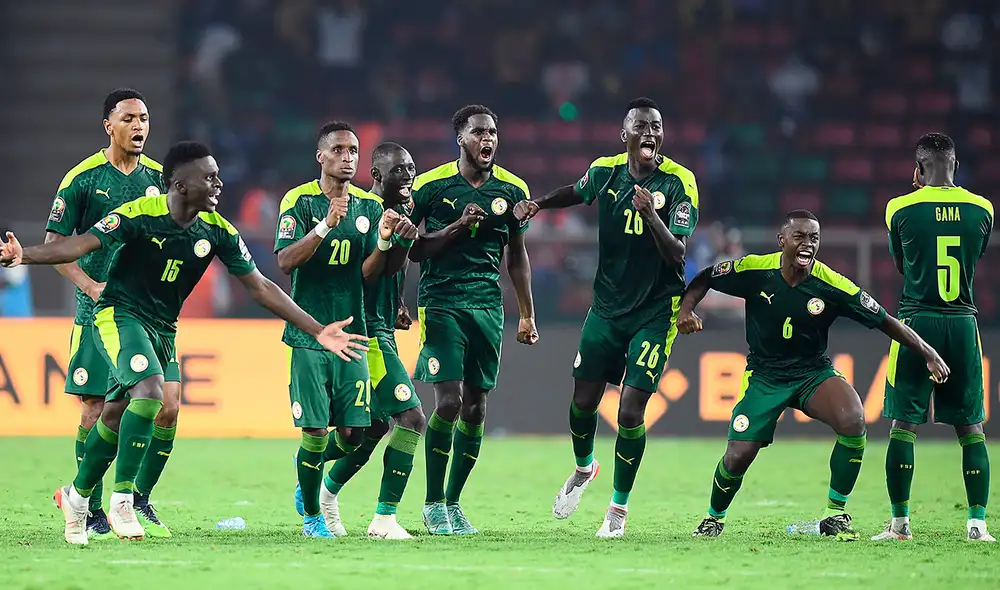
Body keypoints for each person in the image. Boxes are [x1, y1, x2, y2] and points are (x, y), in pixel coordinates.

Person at [0, 141, 368, 545]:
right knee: (150, 392)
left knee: (120, 410)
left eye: (218, 176)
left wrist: (317, 329)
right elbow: (81, 243)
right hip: (118, 313)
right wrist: (25, 255)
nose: (219, 184)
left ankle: (77, 495)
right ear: (179, 184)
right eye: (209, 177)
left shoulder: (218, 230)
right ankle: (124, 498)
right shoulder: (140, 214)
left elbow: (261, 286)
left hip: (164, 328)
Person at [677, 209, 950, 541]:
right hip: (765, 376)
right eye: (800, 237)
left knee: (853, 419)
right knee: (737, 456)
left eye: (814, 238)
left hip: (812, 373)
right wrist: (687, 309)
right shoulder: (754, 270)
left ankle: (836, 513)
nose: (807, 244)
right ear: (782, 241)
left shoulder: (831, 284)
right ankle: (713, 518)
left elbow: (884, 320)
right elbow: (706, 277)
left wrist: (928, 353)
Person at [515, 97, 698, 538]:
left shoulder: (679, 183)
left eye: (656, 126)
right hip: (607, 308)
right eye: (641, 126)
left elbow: (678, 253)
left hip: (655, 311)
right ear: (625, 135)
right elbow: (575, 193)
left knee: (631, 410)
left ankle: (617, 509)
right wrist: (538, 204)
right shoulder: (605, 172)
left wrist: (651, 215)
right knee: (581, 403)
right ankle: (584, 468)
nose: (650, 133)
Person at [43, 88, 178, 539]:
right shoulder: (82, 178)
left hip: (149, 312)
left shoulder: (161, 179)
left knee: (166, 407)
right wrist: (89, 284)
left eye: (144, 118)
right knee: (94, 410)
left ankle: (138, 499)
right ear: (109, 125)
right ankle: (91, 506)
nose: (139, 127)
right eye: (129, 119)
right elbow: (55, 244)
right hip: (97, 311)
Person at [408, 104, 538, 535]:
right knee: (449, 401)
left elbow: (516, 255)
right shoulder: (431, 185)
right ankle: (431, 504)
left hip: (487, 306)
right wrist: (457, 228)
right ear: (460, 139)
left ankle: (453, 502)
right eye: (479, 132)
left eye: (494, 133)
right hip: (441, 301)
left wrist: (526, 313)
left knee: (477, 408)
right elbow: (411, 249)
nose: (489, 140)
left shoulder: (513, 189)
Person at [277, 122, 406, 538]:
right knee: (315, 430)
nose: (348, 157)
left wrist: (384, 242)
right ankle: (313, 517)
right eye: (339, 150)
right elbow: (285, 262)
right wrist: (324, 226)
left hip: (354, 333)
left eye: (353, 150)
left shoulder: (369, 208)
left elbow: (367, 275)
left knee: (355, 433)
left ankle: (308, 484)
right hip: (310, 334)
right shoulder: (298, 202)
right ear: (322, 156)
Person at [874, 133, 995, 542]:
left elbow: (901, 263)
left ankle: (900, 524)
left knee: (903, 424)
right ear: (955, 166)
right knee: (972, 427)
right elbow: (973, 258)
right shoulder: (983, 208)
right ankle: (978, 525)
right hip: (962, 322)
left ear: (918, 169)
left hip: (915, 323)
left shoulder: (899, 208)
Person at [314, 142, 426, 540]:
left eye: (411, 168)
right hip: (366, 331)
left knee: (373, 427)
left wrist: (398, 302)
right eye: (400, 170)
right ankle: (383, 519)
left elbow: (391, 270)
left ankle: (322, 491)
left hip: (384, 326)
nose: (409, 176)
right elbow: (363, 274)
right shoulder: (364, 212)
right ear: (377, 176)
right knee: (412, 419)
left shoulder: (401, 213)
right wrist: (399, 243)